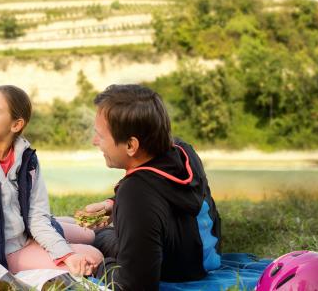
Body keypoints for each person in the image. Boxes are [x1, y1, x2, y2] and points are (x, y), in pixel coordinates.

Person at [0, 85, 102, 282]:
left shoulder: (27, 158)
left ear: (16, 125)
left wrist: (61, 251)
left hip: (27, 231)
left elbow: (36, 217)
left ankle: (107, 237)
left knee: (89, 235)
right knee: (93, 255)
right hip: (2, 252)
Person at [84, 84, 222, 290]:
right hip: (205, 257)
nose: (95, 142)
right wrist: (111, 204)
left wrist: (98, 267)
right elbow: (165, 191)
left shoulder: (135, 193)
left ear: (131, 145)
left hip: (176, 271)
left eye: (101, 136)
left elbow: (135, 285)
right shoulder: (183, 151)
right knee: (100, 235)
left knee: (96, 239)